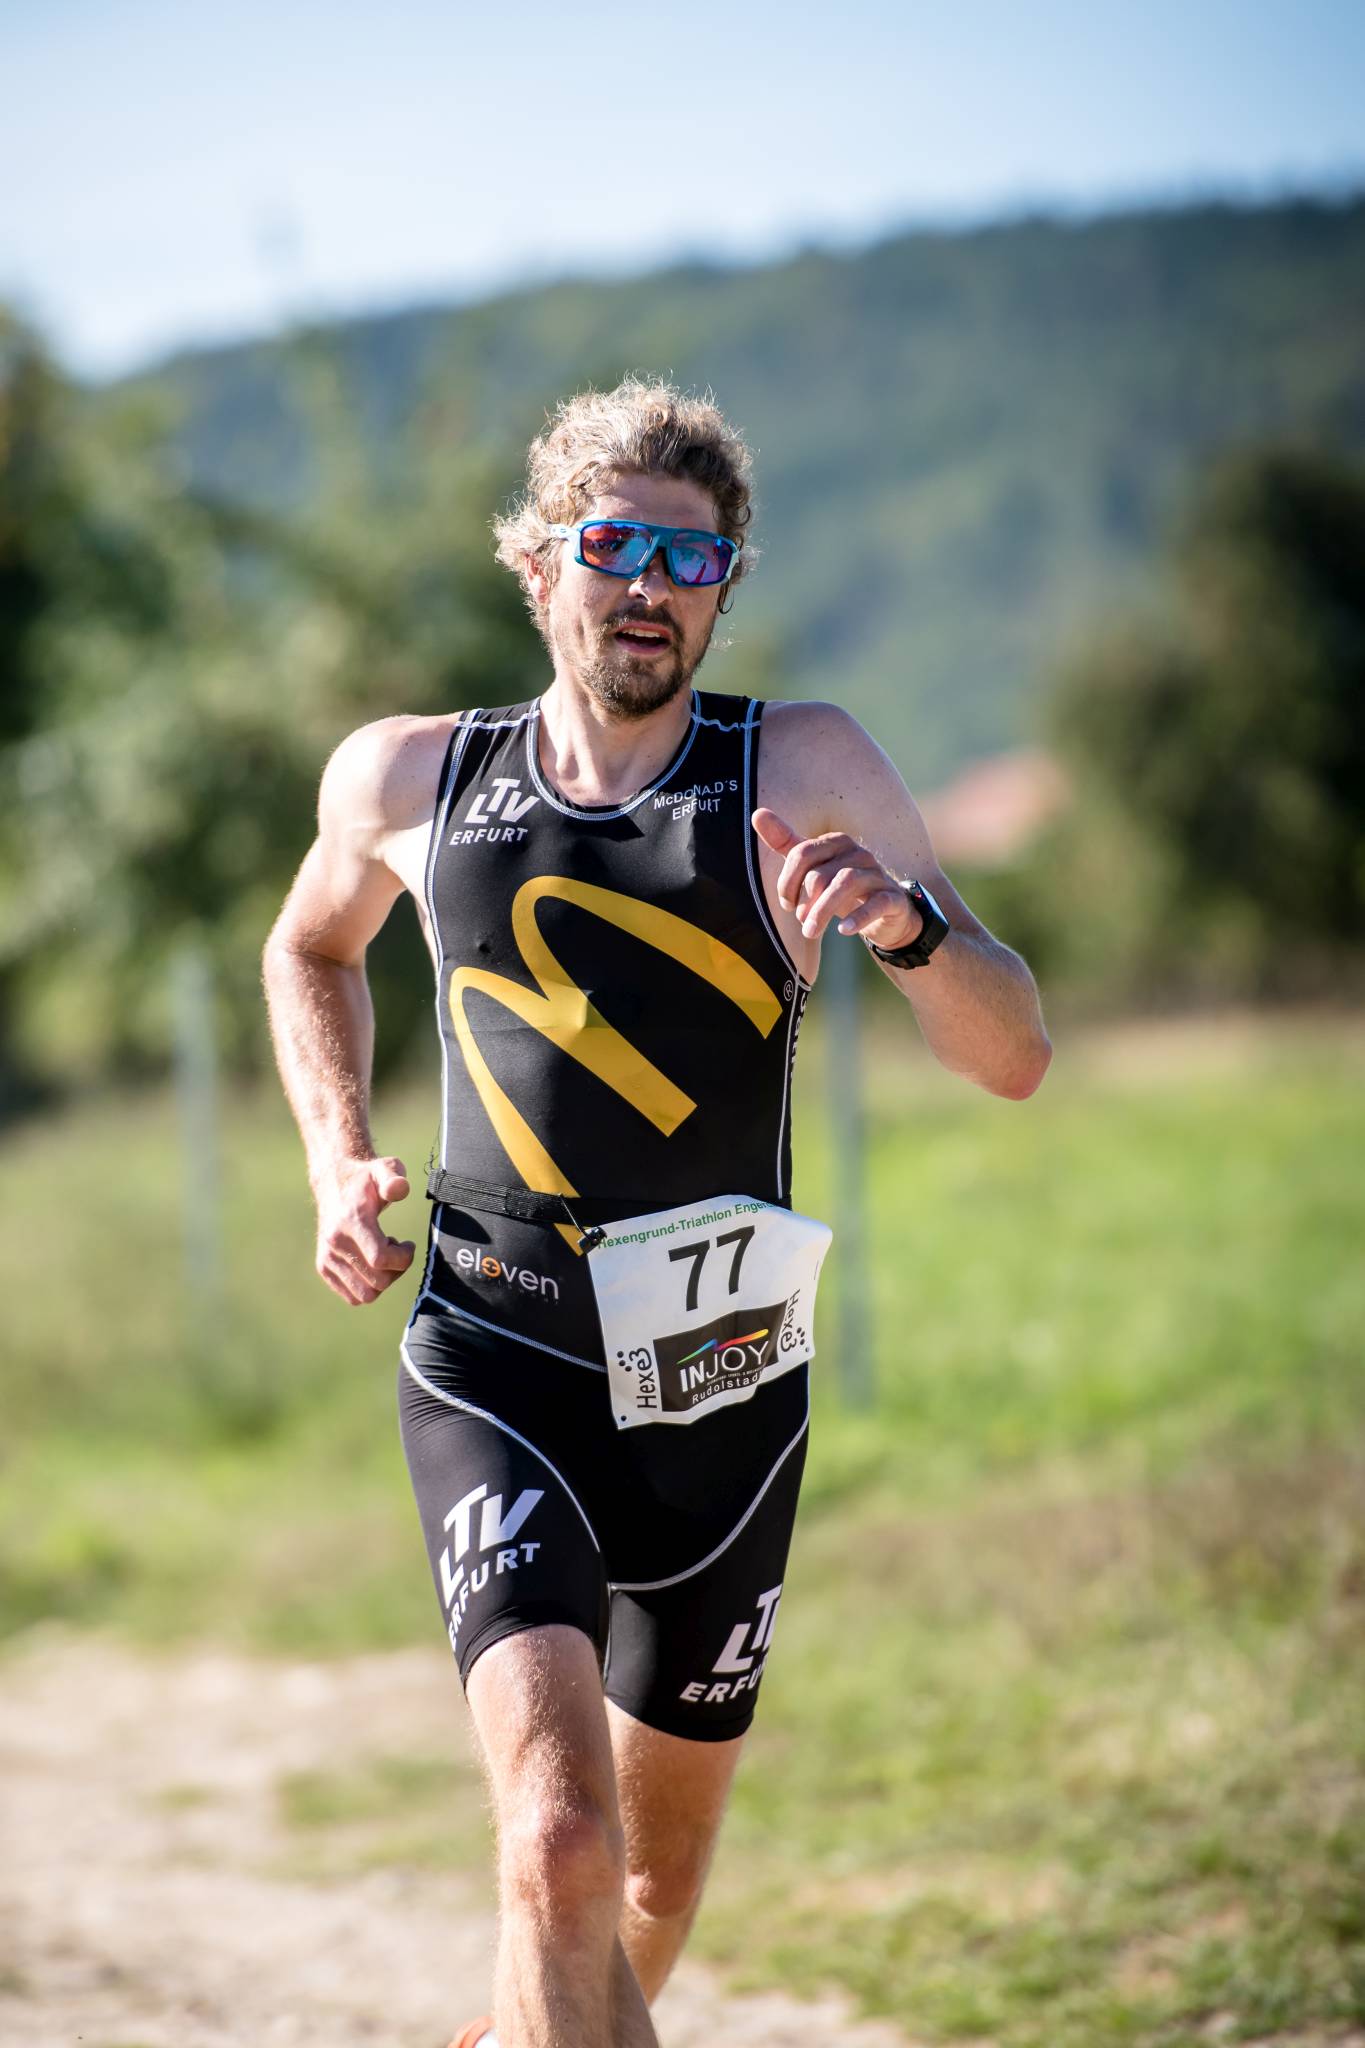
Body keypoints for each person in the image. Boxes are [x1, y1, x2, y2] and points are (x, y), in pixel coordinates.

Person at [263, 377, 1051, 2048]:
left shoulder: (801, 762)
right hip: (495, 1358)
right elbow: (308, 945)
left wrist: (908, 933)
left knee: (644, 1888)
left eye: (691, 561)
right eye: (613, 545)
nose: (650, 586)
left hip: (721, 1389)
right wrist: (336, 1153)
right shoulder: (409, 775)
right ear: (536, 562)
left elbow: (1013, 1054)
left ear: (723, 588)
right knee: (558, 1844)